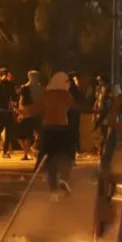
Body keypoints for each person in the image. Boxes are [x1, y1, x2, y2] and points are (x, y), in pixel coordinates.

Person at [35, 72, 78, 201]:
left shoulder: (46, 94)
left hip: (48, 128)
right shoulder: (65, 94)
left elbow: (37, 108)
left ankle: (54, 187)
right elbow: (75, 106)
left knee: (50, 160)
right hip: (62, 128)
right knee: (65, 157)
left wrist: (24, 112)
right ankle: (62, 182)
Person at [17, 70, 44, 161]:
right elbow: (21, 101)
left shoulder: (40, 88)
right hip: (28, 113)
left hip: (35, 113)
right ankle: (28, 152)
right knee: (25, 135)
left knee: (36, 134)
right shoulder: (25, 88)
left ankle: (29, 152)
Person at [0, 68, 18, 158]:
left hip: (5, 110)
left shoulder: (9, 84)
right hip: (1, 110)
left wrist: (13, 104)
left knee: (7, 132)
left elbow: (14, 96)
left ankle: (4, 151)